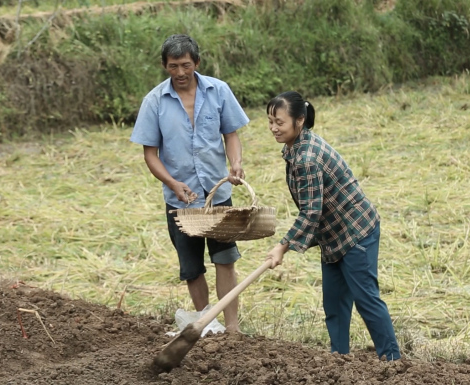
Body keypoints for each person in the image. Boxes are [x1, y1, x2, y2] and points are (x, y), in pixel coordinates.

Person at [265, 91, 401, 360]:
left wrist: (283, 246)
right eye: (270, 121)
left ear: (299, 121)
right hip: (332, 234)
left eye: (279, 122)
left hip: (356, 231)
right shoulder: (294, 149)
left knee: (366, 299)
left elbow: (311, 211)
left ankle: (393, 361)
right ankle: (339, 358)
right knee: (334, 302)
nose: (273, 128)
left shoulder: (307, 158)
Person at [130, 34, 249, 332]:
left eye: (185, 65)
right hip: (180, 202)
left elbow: (231, 134)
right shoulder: (155, 101)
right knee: (192, 269)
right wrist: (172, 183)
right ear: (164, 66)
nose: (180, 73)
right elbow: (150, 154)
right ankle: (207, 324)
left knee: (225, 259)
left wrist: (235, 164)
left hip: (217, 194)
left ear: (196, 62)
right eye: (173, 66)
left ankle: (232, 328)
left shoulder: (218, 91)